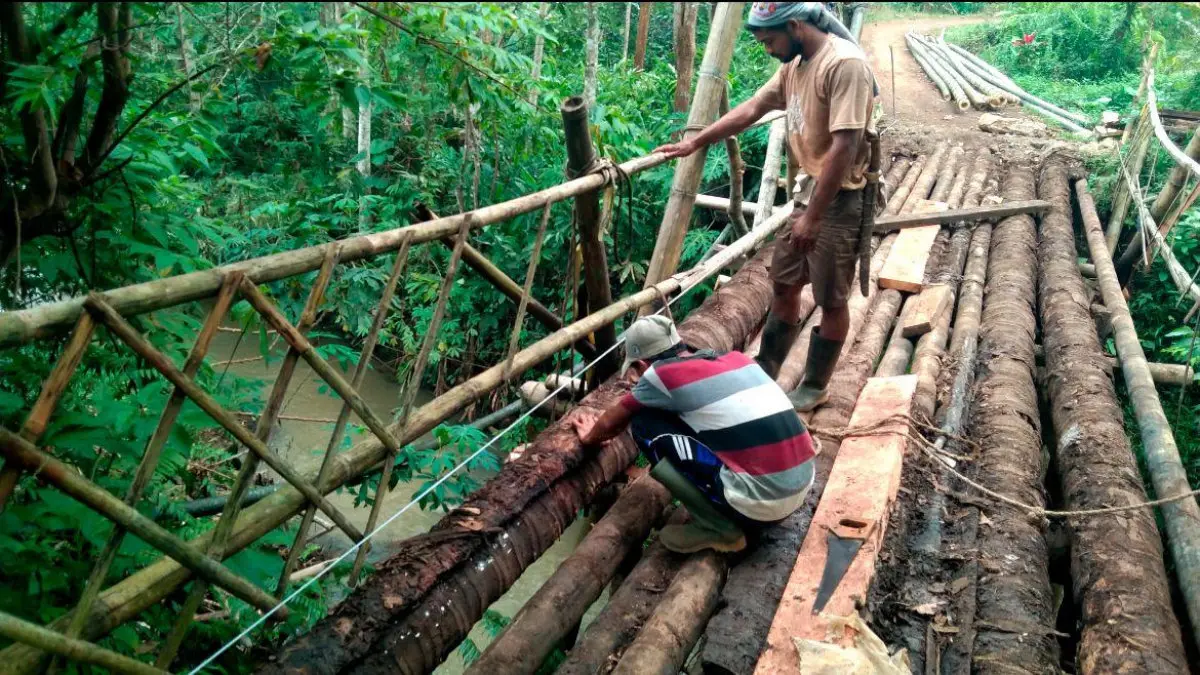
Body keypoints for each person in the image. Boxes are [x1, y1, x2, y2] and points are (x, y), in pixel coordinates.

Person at [653, 2, 879, 412]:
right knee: (785, 283)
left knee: (831, 299)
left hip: (841, 198)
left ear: (794, 26)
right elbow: (753, 108)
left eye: (770, 41)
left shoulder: (844, 65)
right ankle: (767, 370)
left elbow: (845, 146)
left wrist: (812, 217)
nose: (768, 49)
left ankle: (814, 385)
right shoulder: (794, 66)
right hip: (808, 191)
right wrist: (696, 141)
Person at [571, 315, 818, 554]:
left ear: (640, 365)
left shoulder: (659, 375)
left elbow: (614, 421)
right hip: (800, 485)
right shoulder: (738, 360)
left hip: (764, 504)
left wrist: (589, 436)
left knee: (644, 424)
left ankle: (718, 527)